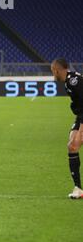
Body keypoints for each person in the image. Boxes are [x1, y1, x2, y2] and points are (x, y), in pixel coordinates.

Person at [51, 58, 83, 199]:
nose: (53, 74)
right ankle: (78, 189)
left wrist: (81, 129)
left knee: (75, 143)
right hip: (80, 115)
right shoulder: (68, 82)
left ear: (57, 70)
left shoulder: (73, 82)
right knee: (72, 146)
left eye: (53, 71)